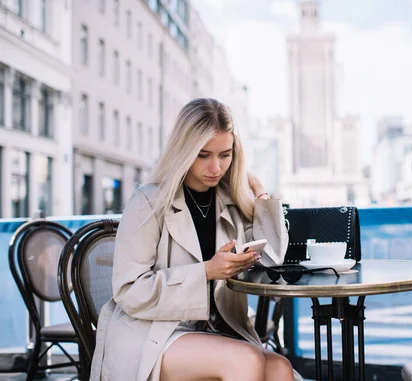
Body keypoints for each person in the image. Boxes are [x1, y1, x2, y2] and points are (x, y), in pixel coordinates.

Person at [90, 98, 301, 381]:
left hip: (213, 329)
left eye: (225, 155)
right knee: (244, 360)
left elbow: (272, 257)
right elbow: (129, 291)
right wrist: (206, 272)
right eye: (203, 155)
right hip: (152, 332)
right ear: (183, 151)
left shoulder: (230, 201)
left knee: (280, 368)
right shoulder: (148, 201)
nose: (216, 167)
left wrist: (260, 193)